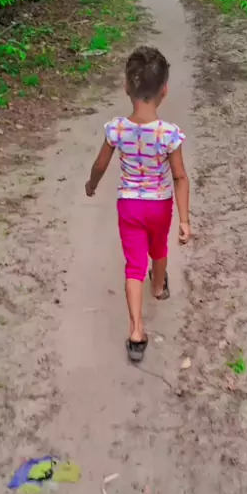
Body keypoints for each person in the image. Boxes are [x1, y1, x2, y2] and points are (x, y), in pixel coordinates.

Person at [85, 46, 191, 363]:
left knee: (134, 265)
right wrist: (185, 219)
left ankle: (135, 331)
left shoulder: (116, 129)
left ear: (126, 87)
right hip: (160, 206)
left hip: (129, 206)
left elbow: (100, 165)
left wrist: (91, 185)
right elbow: (180, 177)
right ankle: (158, 287)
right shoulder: (169, 134)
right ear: (164, 90)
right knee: (159, 248)